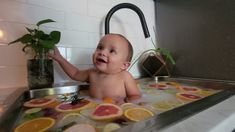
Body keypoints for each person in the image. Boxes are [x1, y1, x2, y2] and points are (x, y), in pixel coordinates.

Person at [49, 33, 141, 104]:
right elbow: (75, 74)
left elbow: (135, 96)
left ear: (124, 65)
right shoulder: (92, 73)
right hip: (93, 109)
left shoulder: (124, 76)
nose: (102, 52)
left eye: (112, 51)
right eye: (100, 47)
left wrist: (125, 103)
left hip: (117, 111)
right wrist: (60, 59)